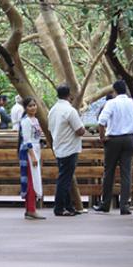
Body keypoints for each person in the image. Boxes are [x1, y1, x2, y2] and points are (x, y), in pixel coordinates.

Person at [94, 80, 133, 215]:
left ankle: (105, 203)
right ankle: (124, 205)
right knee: (126, 172)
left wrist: (102, 138)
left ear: (114, 91)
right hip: (130, 139)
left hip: (113, 140)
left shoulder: (111, 103)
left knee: (109, 172)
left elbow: (101, 121)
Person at [48, 84, 86, 216]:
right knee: (64, 179)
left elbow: (50, 128)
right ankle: (59, 207)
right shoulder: (70, 111)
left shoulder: (53, 110)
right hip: (70, 148)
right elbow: (80, 130)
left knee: (66, 178)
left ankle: (69, 206)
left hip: (58, 146)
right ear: (69, 95)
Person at [18, 98, 46, 220]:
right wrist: (33, 156)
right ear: (25, 108)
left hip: (36, 149)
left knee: (35, 179)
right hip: (29, 152)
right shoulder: (26, 121)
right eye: (30, 106)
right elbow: (26, 140)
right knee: (31, 180)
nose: (33, 107)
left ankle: (30, 209)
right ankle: (31, 209)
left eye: (34, 105)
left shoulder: (36, 120)